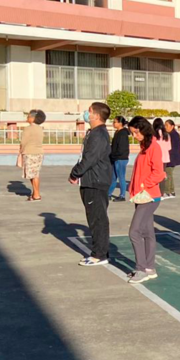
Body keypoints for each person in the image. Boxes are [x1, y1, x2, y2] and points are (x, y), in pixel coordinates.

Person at [69, 102, 112, 266]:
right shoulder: (93, 133)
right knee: (95, 217)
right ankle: (99, 252)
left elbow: (90, 159)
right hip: (91, 180)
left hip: (96, 181)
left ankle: (99, 255)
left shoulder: (98, 134)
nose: (86, 114)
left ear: (96, 115)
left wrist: (75, 172)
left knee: (98, 219)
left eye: (89, 111)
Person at [125, 116, 165, 284]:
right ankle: (149, 267)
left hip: (149, 196)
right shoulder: (144, 147)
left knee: (134, 232)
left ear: (143, 129)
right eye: (132, 133)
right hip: (141, 196)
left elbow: (159, 173)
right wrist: (134, 187)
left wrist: (142, 185)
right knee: (148, 232)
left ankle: (141, 269)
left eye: (135, 132)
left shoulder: (153, 147)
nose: (134, 136)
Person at [20, 110, 46, 202]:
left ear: (33, 118)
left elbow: (23, 142)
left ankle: (36, 194)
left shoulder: (27, 129)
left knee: (33, 175)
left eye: (28, 116)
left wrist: (20, 152)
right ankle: (35, 193)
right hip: (39, 153)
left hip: (29, 152)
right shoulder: (40, 128)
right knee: (35, 174)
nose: (27, 118)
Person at [108, 116, 130, 202]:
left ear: (120, 123)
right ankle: (108, 194)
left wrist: (114, 155)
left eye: (115, 122)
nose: (113, 123)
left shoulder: (123, 133)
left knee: (121, 177)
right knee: (113, 178)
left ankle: (122, 195)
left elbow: (121, 149)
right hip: (115, 158)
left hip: (121, 158)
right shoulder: (117, 132)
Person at [152, 118, 172, 199]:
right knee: (162, 175)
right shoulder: (167, 135)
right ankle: (161, 193)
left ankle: (155, 192)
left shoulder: (153, 135)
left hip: (156, 157)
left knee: (154, 174)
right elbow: (169, 147)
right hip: (165, 157)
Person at [164, 120, 180, 199]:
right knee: (169, 175)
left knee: (168, 175)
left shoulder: (172, 135)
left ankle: (168, 191)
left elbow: (171, 148)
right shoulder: (172, 134)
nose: (165, 127)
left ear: (172, 126)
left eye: (167, 125)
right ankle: (171, 191)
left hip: (171, 158)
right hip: (172, 158)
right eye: (165, 125)